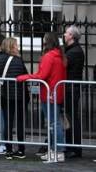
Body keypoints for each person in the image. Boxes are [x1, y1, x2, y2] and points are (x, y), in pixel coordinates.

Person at [17, 32, 67, 163]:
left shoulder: (49, 56)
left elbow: (41, 75)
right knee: (53, 123)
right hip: (56, 92)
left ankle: (58, 151)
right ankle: (54, 150)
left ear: (47, 41)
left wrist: (24, 77)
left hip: (49, 93)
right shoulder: (60, 55)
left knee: (53, 123)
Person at [0, 37, 28, 159]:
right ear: (12, 46)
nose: (18, 46)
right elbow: (24, 74)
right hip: (19, 95)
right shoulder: (18, 60)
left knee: (7, 122)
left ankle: (8, 150)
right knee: (20, 122)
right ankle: (21, 150)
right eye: (16, 45)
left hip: (5, 95)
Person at [63, 25, 84, 160]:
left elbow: (63, 65)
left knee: (71, 119)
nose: (64, 35)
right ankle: (70, 146)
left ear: (71, 36)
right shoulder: (71, 50)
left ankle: (74, 148)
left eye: (66, 33)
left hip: (71, 88)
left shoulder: (74, 51)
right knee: (69, 118)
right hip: (70, 88)